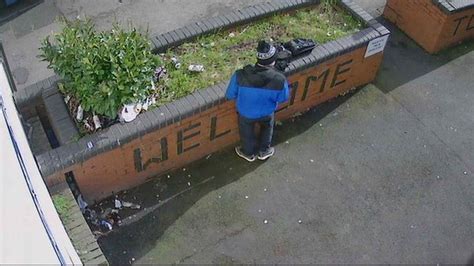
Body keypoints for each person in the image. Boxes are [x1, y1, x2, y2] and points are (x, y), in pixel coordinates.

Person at [225, 40, 289, 162]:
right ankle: (264, 151)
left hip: (245, 112)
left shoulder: (240, 75)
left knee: (246, 132)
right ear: (273, 61)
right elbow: (283, 98)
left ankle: (248, 153)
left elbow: (230, 94)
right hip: (267, 112)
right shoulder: (279, 79)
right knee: (267, 128)